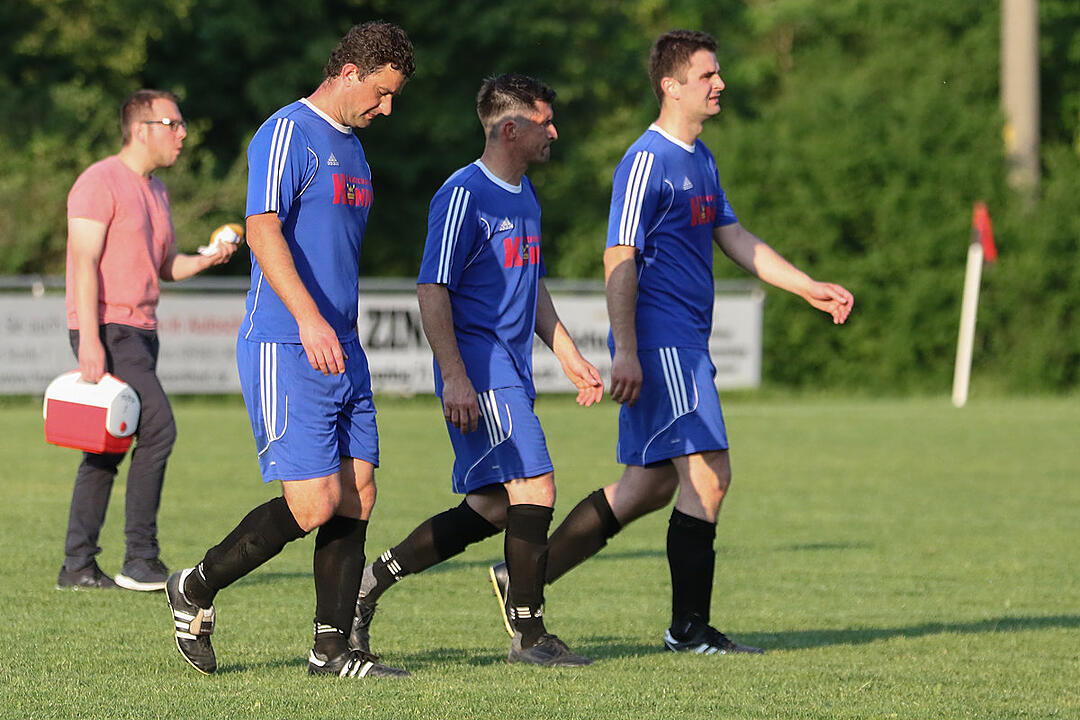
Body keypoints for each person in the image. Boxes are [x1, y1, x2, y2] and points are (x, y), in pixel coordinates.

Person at [488, 29, 855, 656]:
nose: (720, 85)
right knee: (711, 476)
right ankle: (688, 629)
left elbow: (734, 236)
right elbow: (619, 254)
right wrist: (625, 349)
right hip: (663, 345)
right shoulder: (647, 159)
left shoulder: (700, 159)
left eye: (718, 75)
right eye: (707, 76)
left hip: (685, 342)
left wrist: (805, 286)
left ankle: (523, 575)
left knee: (649, 486)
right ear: (671, 85)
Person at [164, 21, 415, 678]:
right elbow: (260, 226)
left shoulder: (355, 149)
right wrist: (307, 318)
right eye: (382, 93)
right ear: (350, 72)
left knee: (358, 490)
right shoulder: (287, 132)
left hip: (343, 346)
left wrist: (333, 325)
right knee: (313, 505)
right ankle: (195, 586)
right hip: (287, 341)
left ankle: (330, 651)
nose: (386, 108)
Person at [348, 74, 604, 667]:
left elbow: (533, 283)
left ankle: (369, 584)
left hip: (512, 371)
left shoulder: (526, 196)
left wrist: (568, 355)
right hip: (482, 371)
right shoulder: (464, 193)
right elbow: (432, 287)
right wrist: (455, 375)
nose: (554, 133)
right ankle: (530, 635)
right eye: (545, 122)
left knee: (492, 506)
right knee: (536, 486)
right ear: (510, 129)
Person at [59, 89, 237, 592]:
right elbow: (84, 263)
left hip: (142, 331)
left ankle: (77, 566)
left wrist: (207, 257)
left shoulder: (156, 190)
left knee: (106, 448)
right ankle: (141, 559)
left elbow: (166, 266)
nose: (183, 133)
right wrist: (90, 340)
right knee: (159, 429)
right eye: (173, 123)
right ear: (141, 128)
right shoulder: (99, 181)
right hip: (109, 330)